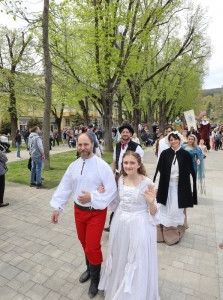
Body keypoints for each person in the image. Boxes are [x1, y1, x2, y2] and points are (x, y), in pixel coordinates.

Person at [50, 133, 117, 298]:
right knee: (83, 242)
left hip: (96, 212)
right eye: (80, 145)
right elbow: (65, 186)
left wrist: (93, 197)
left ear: (93, 144)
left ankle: (96, 280)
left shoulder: (102, 166)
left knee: (93, 245)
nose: (82, 148)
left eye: (85, 144)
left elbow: (112, 190)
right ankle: (89, 268)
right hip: (78, 210)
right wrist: (57, 207)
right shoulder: (73, 165)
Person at [98, 152, 160, 300]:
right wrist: (102, 193)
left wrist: (151, 202)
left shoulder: (148, 183)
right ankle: (118, 283)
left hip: (140, 224)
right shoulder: (120, 180)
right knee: (121, 254)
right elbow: (117, 202)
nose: (128, 166)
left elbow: (154, 213)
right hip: (121, 223)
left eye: (132, 163)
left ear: (139, 164)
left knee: (136, 258)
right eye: (125, 163)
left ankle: (134, 292)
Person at [154, 131, 197, 245]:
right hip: (165, 187)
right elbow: (159, 171)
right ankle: (160, 235)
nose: (173, 141)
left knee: (174, 211)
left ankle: (172, 236)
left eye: (175, 139)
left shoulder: (185, 154)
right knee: (162, 209)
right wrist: (156, 186)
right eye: (171, 140)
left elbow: (190, 174)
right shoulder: (165, 154)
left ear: (180, 140)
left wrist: (190, 188)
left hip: (179, 188)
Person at [104, 124, 144, 232]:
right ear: (121, 133)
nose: (125, 134)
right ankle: (114, 224)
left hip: (129, 178)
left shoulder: (137, 147)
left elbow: (140, 164)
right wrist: (110, 175)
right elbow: (114, 162)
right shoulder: (117, 145)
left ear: (130, 134)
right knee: (116, 200)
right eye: (123, 132)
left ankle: (126, 225)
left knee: (126, 200)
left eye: (127, 132)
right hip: (118, 176)